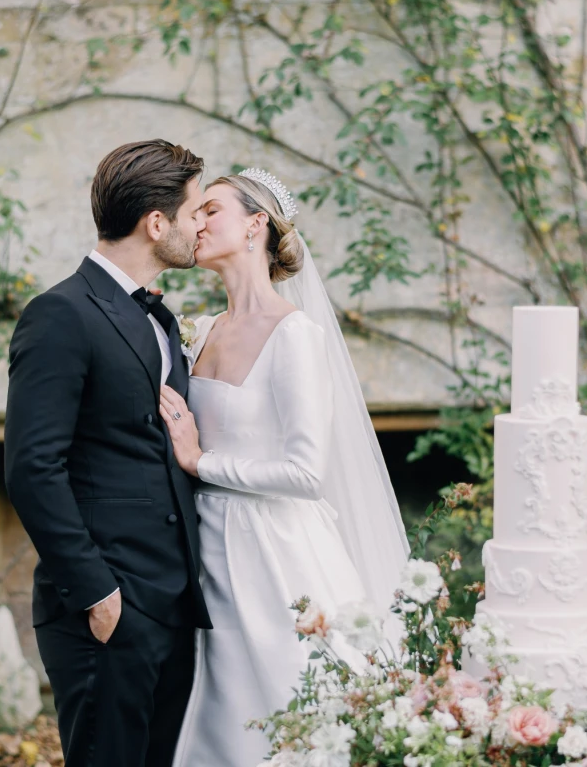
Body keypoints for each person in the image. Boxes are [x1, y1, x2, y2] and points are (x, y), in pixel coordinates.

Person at [165, 169, 410, 766]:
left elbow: (306, 473)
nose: (195, 222)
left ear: (256, 225)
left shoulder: (294, 336)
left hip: (273, 553)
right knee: (215, 714)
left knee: (286, 703)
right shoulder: (198, 334)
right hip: (205, 551)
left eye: (210, 210)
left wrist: (201, 460)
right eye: (194, 213)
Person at [3, 140, 212, 767]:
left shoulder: (163, 320)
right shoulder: (60, 314)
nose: (201, 224)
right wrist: (97, 593)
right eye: (196, 210)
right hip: (108, 608)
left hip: (173, 606)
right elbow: (32, 467)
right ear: (157, 223)